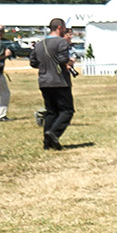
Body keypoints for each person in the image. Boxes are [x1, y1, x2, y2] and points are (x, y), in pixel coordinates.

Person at [29, 17, 77, 150]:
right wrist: (70, 62)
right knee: (67, 110)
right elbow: (63, 60)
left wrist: (45, 67)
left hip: (44, 81)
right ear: (60, 28)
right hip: (60, 81)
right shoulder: (61, 43)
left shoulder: (40, 44)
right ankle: (53, 133)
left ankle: (47, 143)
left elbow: (33, 62)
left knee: (51, 112)